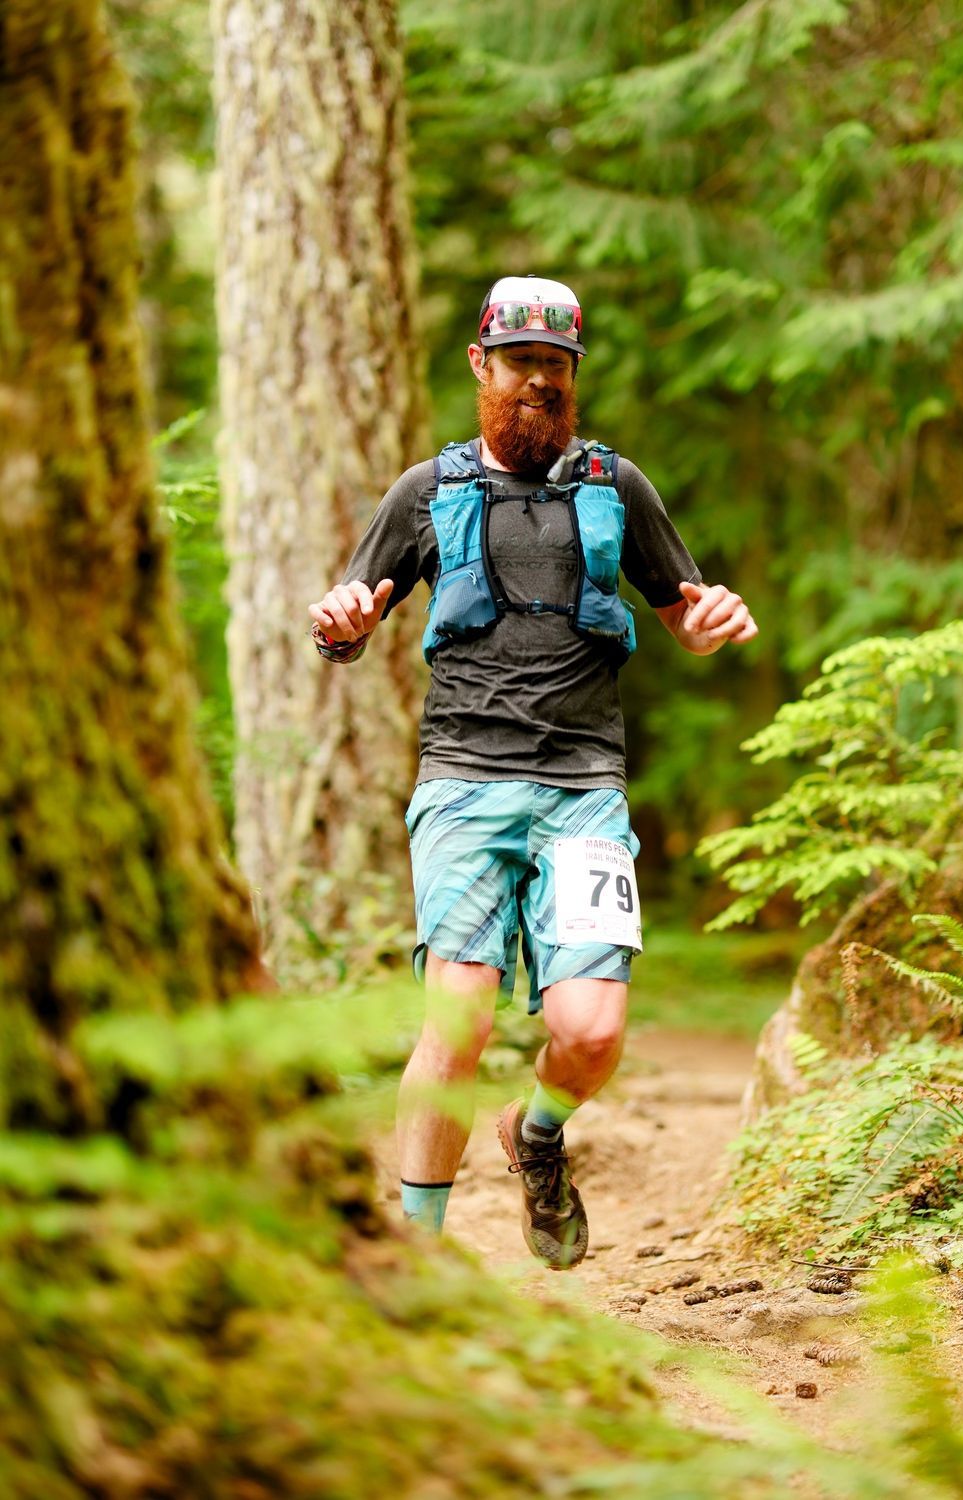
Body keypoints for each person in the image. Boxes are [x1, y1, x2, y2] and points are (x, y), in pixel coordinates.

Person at [309, 274, 757, 1270]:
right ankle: (419, 1262)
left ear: (572, 376)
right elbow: (351, 616)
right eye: (520, 364)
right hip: (463, 781)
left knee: (591, 1033)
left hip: (582, 792)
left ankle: (539, 1131)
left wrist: (709, 622)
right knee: (457, 1017)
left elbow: (681, 612)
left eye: (555, 368)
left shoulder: (615, 486)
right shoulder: (427, 493)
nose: (538, 385)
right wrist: (337, 627)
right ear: (481, 365)